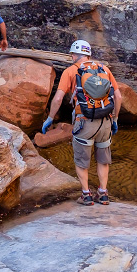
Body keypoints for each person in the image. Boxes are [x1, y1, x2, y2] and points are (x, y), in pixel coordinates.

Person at [41, 39, 123, 206]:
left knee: (81, 161)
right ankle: (103, 193)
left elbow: (58, 98)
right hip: (105, 121)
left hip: (84, 122)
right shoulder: (104, 69)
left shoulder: (71, 71)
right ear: (89, 54)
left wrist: (50, 118)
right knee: (103, 159)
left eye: (72, 54)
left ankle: (86, 195)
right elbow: (118, 96)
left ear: (74, 55)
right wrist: (115, 119)